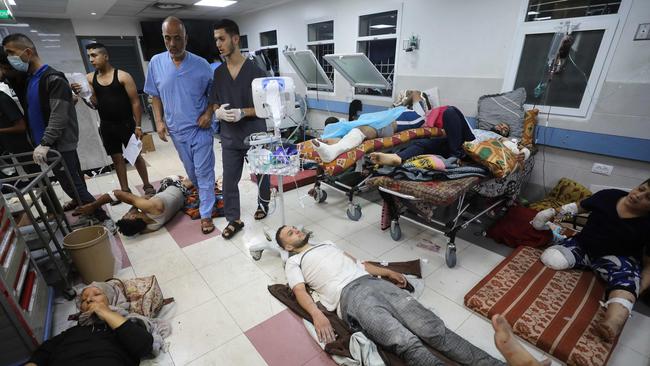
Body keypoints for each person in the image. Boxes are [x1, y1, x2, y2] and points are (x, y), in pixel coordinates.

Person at [275, 224, 505, 366]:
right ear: (287, 247)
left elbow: (359, 264)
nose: (295, 230)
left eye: (294, 228)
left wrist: (388, 272)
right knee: (404, 341)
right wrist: (316, 314)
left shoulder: (327, 243)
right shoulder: (295, 261)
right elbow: (299, 291)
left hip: (374, 283)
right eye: (289, 233)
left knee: (434, 330)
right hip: (351, 298)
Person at [2, 33, 113, 230]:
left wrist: (45, 143)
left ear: (28, 52)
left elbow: (59, 116)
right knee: (71, 183)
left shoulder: (52, 78)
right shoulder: (31, 80)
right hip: (49, 144)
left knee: (73, 185)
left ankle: (103, 218)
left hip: (59, 144)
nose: (10, 58)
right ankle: (90, 212)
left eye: (11, 53)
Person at [532, 178, 650, 341]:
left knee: (627, 285)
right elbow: (576, 208)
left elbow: (648, 264)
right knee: (551, 258)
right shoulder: (609, 196)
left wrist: (636, 288)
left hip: (617, 259)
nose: (638, 195)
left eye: (648, 197)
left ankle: (612, 323)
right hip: (583, 245)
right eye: (640, 188)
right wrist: (551, 215)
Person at [144, 17, 216, 234]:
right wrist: (159, 121)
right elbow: (155, 95)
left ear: (186, 38)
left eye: (177, 38)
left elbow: (215, 95)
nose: (173, 44)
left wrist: (209, 112)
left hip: (200, 129)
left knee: (204, 173)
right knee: (192, 173)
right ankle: (206, 197)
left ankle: (206, 214)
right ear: (163, 38)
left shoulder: (202, 65)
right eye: (168, 38)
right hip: (177, 131)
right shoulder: (156, 63)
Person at [209, 19, 270, 239]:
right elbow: (215, 101)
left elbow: (265, 108)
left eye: (222, 38)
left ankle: (263, 205)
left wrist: (244, 112)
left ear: (235, 39)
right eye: (216, 39)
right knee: (229, 179)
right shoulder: (218, 73)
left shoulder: (256, 71)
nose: (218, 43)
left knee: (262, 174)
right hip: (230, 136)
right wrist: (217, 113)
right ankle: (233, 219)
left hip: (255, 133)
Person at [71, 43, 154, 198]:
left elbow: (135, 102)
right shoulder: (89, 78)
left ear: (106, 56)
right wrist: (82, 94)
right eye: (89, 56)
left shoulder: (123, 76)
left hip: (127, 123)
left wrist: (138, 126)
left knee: (135, 156)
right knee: (116, 159)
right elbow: (94, 104)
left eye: (94, 55)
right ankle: (125, 190)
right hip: (107, 125)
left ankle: (147, 186)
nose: (91, 59)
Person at [25, 282, 169, 366]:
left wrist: (104, 312)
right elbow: (43, 352)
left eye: (97, 294)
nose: (89, 300)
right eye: (84, 299)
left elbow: (144, 345)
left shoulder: (126, 321)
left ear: (111, 299)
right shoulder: (71, 332)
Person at [75, 175, 191, 236]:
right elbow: (117, 193)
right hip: (178, 187)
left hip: (180, 197)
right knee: (171, 178)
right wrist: (94, 205)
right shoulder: (150, 207)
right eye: (126, 215)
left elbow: (137, 230)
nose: (126, 213)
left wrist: (136, 205)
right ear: (132, 217)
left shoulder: (151, 227)